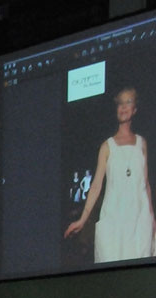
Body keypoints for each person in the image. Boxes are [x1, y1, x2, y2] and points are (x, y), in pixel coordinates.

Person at [64, 87, 155, 263]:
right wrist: (82, 219)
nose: (123, 107)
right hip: (113, 221)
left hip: (139, 221)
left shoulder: (142, 143)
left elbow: (145, 183)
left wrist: (152, 218)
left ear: (135, 109)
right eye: (120, 103)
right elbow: (96, 185)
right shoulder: (107, 146)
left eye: (128, 102)